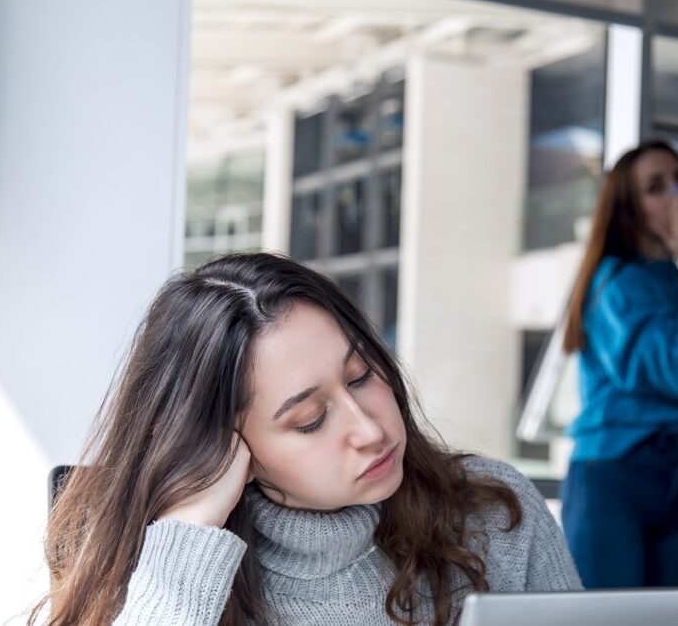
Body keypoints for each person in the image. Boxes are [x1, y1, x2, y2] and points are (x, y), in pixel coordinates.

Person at [30, 253, 582, 626]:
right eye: (311, 420)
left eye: (362, 375)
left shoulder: (495, 514)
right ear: (225, 447)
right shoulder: (154, 566)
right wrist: (189, 541)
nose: (370, 430)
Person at [559, 141, 678, 588]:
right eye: (656, 187)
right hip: (614, 475)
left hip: (670, 473)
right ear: (630, 209)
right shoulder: (617, 281)